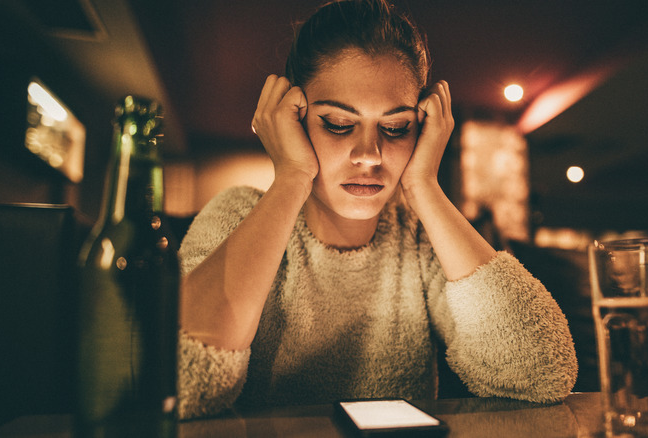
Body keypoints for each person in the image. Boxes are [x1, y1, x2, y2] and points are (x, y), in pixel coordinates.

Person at [177, 0, 577, 419]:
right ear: (292, 121)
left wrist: (423, 187)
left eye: (395, 128)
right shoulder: (239, 212)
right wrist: (291, 177)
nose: (369, 155)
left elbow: (542, 374)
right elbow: (180, 384)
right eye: (338, 123)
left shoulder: (421, 239)